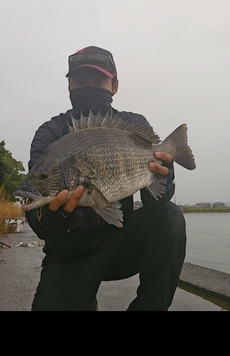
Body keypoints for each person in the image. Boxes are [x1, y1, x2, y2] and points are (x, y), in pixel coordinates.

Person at [25, 45, 186, 311]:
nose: (88, 86)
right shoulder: (50, 132)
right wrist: (54, 218)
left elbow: (155, 202)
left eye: (98, 80)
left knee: (170, 217)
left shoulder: (134, 124)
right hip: (69, 253)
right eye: (79, 81)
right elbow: (37, 203)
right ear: (69, 86)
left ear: (115, 85)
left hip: (122, 245)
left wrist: (164, 179)